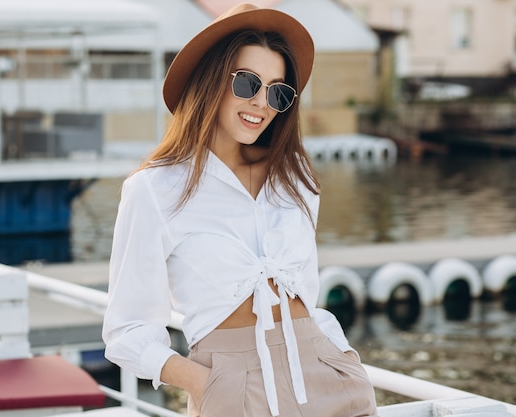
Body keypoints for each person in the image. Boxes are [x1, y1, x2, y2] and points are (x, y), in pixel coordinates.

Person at [102, 4, 378, 417]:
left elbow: (306, 292)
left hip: (329, 378)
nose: (262, 103)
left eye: (277, 91)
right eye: (248, 83)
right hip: (231, 389)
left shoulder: (296, 178)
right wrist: (204, 382)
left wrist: (340, 353)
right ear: (211, 79)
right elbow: (126, 330)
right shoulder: (153, 190)